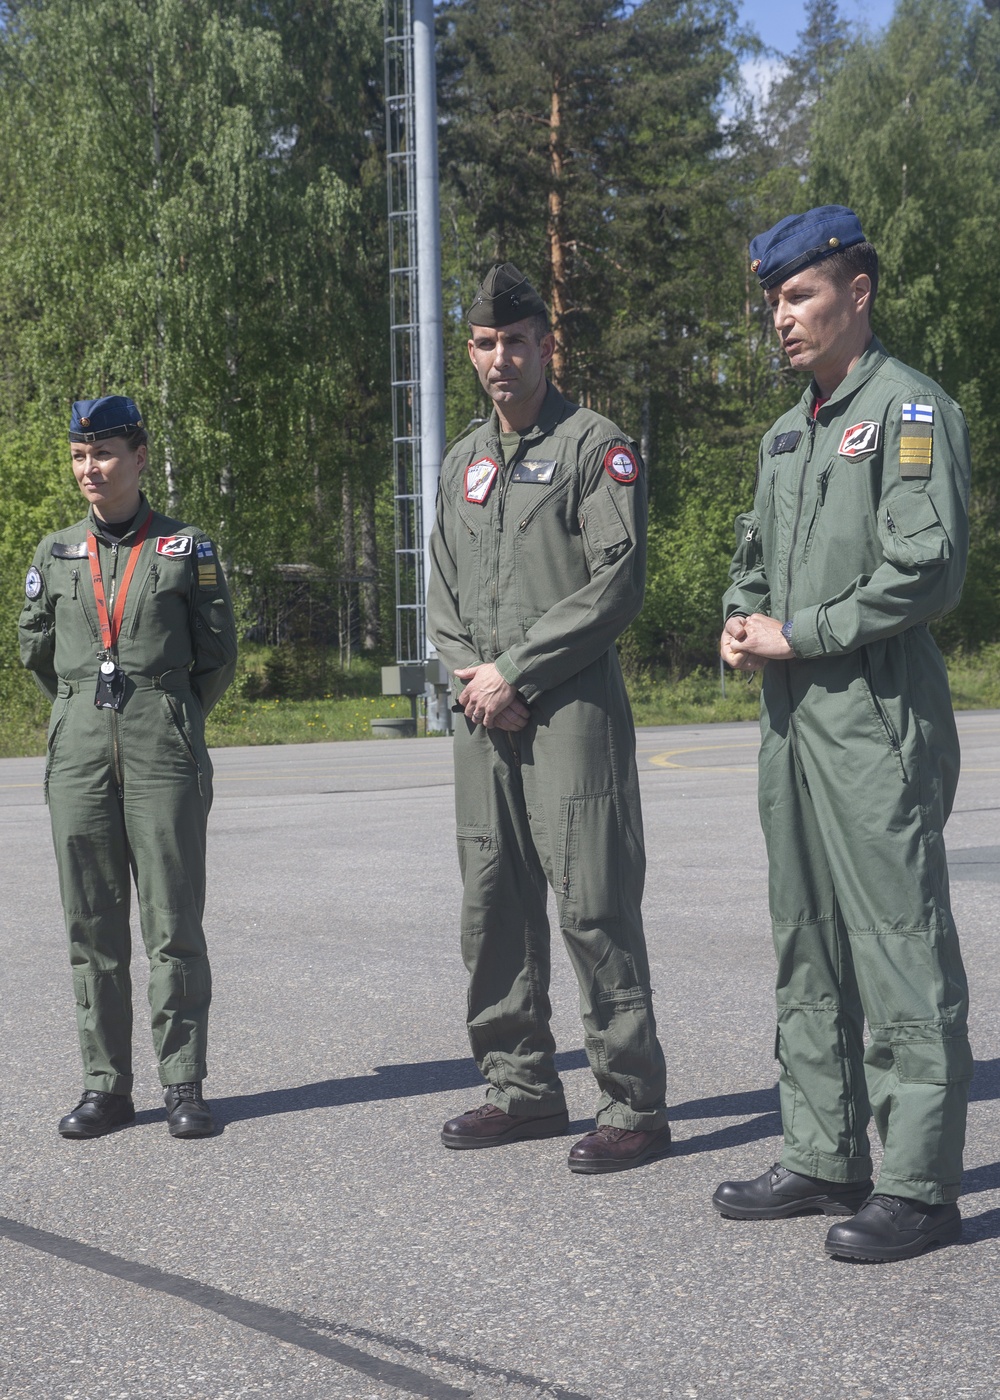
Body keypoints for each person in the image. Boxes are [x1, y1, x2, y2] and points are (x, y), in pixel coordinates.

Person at [714, 206, 973, 1261]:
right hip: (789, 725)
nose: (782, 318)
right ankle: (823, 1150)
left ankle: (917, 1184)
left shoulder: (907, 409)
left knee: (897, 944)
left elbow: (927, 567)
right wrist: (740, 618)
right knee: (805, 936)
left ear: (855, 292)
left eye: (800, 296)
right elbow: (750, 553)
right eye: (773, 302)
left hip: (870, 715)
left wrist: (800, 631)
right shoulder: (791, 430)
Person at [427, 263, 670, 1174]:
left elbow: (617, 582)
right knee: (491, 906)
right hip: (480, 714)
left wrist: (516, 671)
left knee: (594, 905)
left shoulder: (593, 446)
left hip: (569, 713)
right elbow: (441, 587)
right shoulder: (464, 460)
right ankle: (520, 1086)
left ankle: (633, 1104)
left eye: (515, 341)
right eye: (485, 344)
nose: (500, 359)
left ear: (544, 345)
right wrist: (472, 674)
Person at [19, 396, 238, 1140]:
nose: (91, 468)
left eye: (105, 453)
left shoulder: (186, 548)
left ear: (140, 458)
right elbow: (39, 654)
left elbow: (216, 657)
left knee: (174, 921)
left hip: (161, 742)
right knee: (91, 924)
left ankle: (183, 1083)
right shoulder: (56, 552)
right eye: (81, 455)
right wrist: (84, 706)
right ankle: (106, 1087)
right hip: (79, 743)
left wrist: (164, 711)